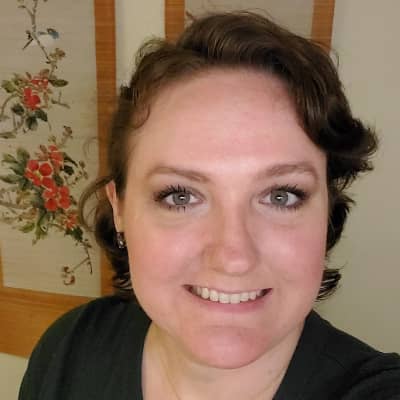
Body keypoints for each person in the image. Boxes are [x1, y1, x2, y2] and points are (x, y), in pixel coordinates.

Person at [19, 12, 400, 400]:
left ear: (327, 215)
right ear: (119, 210)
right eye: (180, 196)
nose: (233, 257)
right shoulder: (69, 350)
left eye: (281, 196)